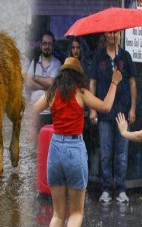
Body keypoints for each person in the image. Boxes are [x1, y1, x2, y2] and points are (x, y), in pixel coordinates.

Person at [31, 57, 122, 227]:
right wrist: (114, 82)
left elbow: (32, 111)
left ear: (62, 74)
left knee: (57, 215)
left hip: (55, 148)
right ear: (78, 75)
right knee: (76, 213)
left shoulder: (51, 92)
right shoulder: (80, 92)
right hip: (74, 149)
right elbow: (106, 106)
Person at [89, 30, 137, 203]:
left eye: (115, 33)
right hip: (104, 113)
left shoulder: (125, 56)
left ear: (118, 35)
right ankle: (107, 189)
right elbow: (92, 83)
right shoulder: (99, 57)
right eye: (109, 33)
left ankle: (121, 189)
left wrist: (132, 108)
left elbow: (132, 82)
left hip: (123, 113)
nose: (112, 35)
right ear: (105, 35)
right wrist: (93, 110)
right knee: (105, 153)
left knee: (122, 155)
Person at [25, 30, 61, 147]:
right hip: (35, 112)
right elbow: (29, 82)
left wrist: (36, 77)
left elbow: (52, 83)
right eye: (44, 44)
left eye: (49, 44)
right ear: (40, 45)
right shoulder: (34, 62)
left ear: (53, 45)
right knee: (34, 146)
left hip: (50, 114)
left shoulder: (57, 63)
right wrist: (46, 84)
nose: (47, 46)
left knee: (48, 146)